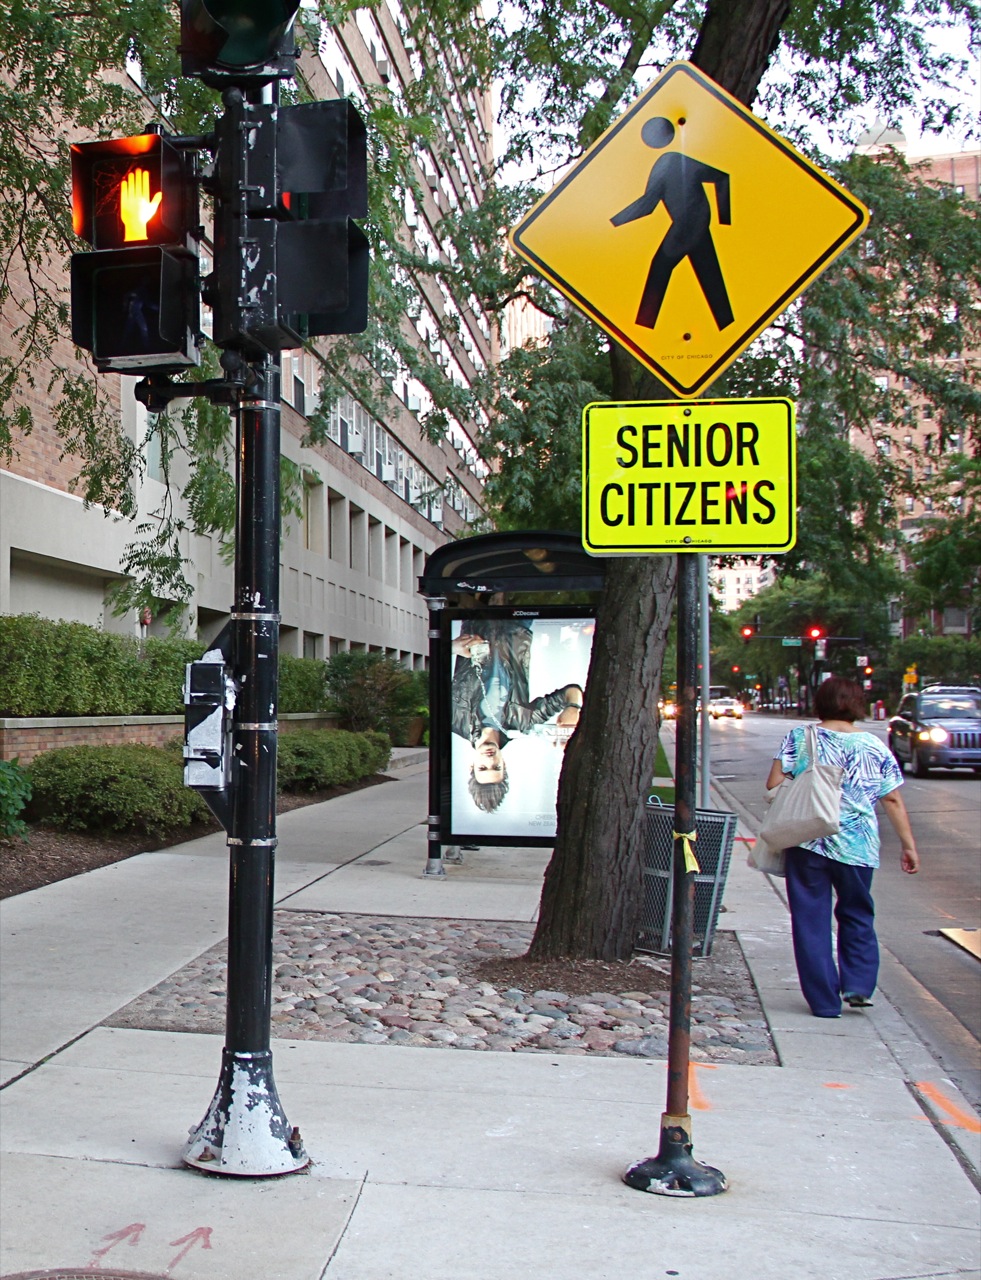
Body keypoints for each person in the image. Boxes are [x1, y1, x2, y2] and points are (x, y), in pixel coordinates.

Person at [765, 676, 920, 1019]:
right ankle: (858, 985)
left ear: (820, 702)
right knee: (858, 913)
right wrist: (908, 847)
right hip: (858, 846)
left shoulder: (800, 738)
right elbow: (892, 798)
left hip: (808, 840)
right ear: (856, 704)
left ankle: (823, 1002)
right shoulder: (875, 746)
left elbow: (774, 783)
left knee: (811, 921)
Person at [451, 619, 583, 812]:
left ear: (471, 766)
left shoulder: (454, 720)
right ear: (504, 764)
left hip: (474, 618)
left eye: (483, 768)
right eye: (496, 768)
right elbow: (572, 691)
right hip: (517, 623)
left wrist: (451, 647)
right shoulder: (523, 722)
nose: (490, 761)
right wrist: (573, 708)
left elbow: (432, 677)